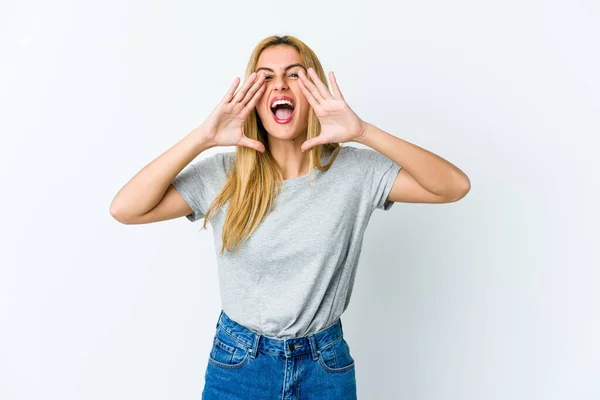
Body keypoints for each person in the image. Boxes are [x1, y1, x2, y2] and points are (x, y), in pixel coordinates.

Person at [110, 35, 470, 399]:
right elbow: (126, 209)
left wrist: (363, 132)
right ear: (252, 96)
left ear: (315, 91)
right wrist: (203, 137)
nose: (279, 84)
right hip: (239, 363)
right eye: (265, 76)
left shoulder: (355, 171)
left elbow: (453, 186)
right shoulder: (224, 174)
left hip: (324, 366)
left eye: (294, 74)